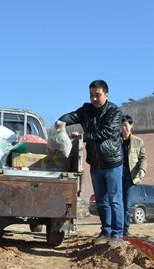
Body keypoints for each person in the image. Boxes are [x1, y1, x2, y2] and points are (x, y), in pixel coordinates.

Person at [56, 80, 124, 246]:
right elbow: (73, 116)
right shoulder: (86, 110)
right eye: (91, 95)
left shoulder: (115, 112)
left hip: (112, 163)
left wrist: (82, 137)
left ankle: (117, 235)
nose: (94, 98)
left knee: (115, 200)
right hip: (95, 163)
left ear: (106, 95)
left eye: (97, 95)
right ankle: (105, 232)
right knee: (101, 201)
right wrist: (61, 121)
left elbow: (105, 133)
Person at [120, 114, 147, 237]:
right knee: (116, 204)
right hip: (116, 176)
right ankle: (115, 229)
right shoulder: (115, 140)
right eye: (121, 126)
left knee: (127, 205)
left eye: (126, 125)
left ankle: (125, 230)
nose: (124, 128)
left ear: (131, 126)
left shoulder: (138, 141)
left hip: (131, 177)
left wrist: (142, 169)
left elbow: (143, 157)